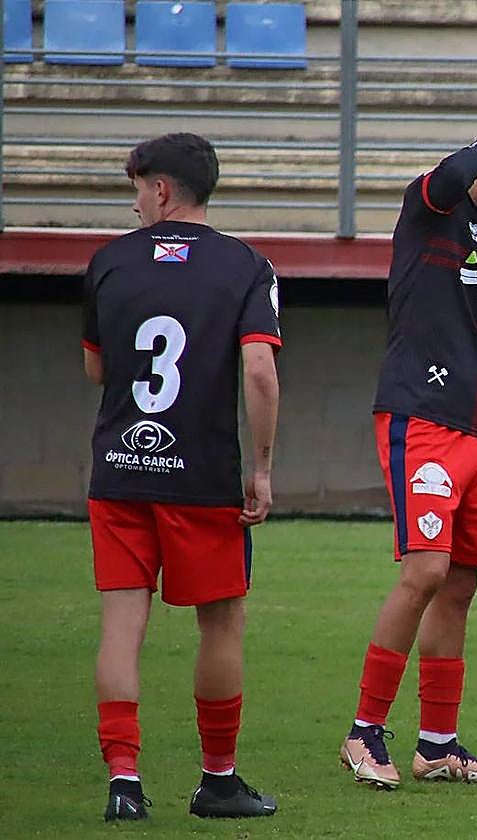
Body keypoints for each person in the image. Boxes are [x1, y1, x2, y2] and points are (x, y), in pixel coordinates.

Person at [339, 123, 477, 789]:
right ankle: (364, 731)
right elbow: (452, 175)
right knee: (426, 570)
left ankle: (438, 744)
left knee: (461, 582)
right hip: (422, 417)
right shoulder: (430, 209)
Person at [83, 133, 281, 821]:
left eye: (138, 188)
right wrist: (261, 467)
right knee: (221, 622)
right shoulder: (246, 265)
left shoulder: (108, 262)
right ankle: (218, 782)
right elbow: (260, 371)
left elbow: (97, 369)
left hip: (119, 471)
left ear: (162, 189)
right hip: (202, 476)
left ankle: (124, 783)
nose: (135, 202)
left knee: (121, 622)